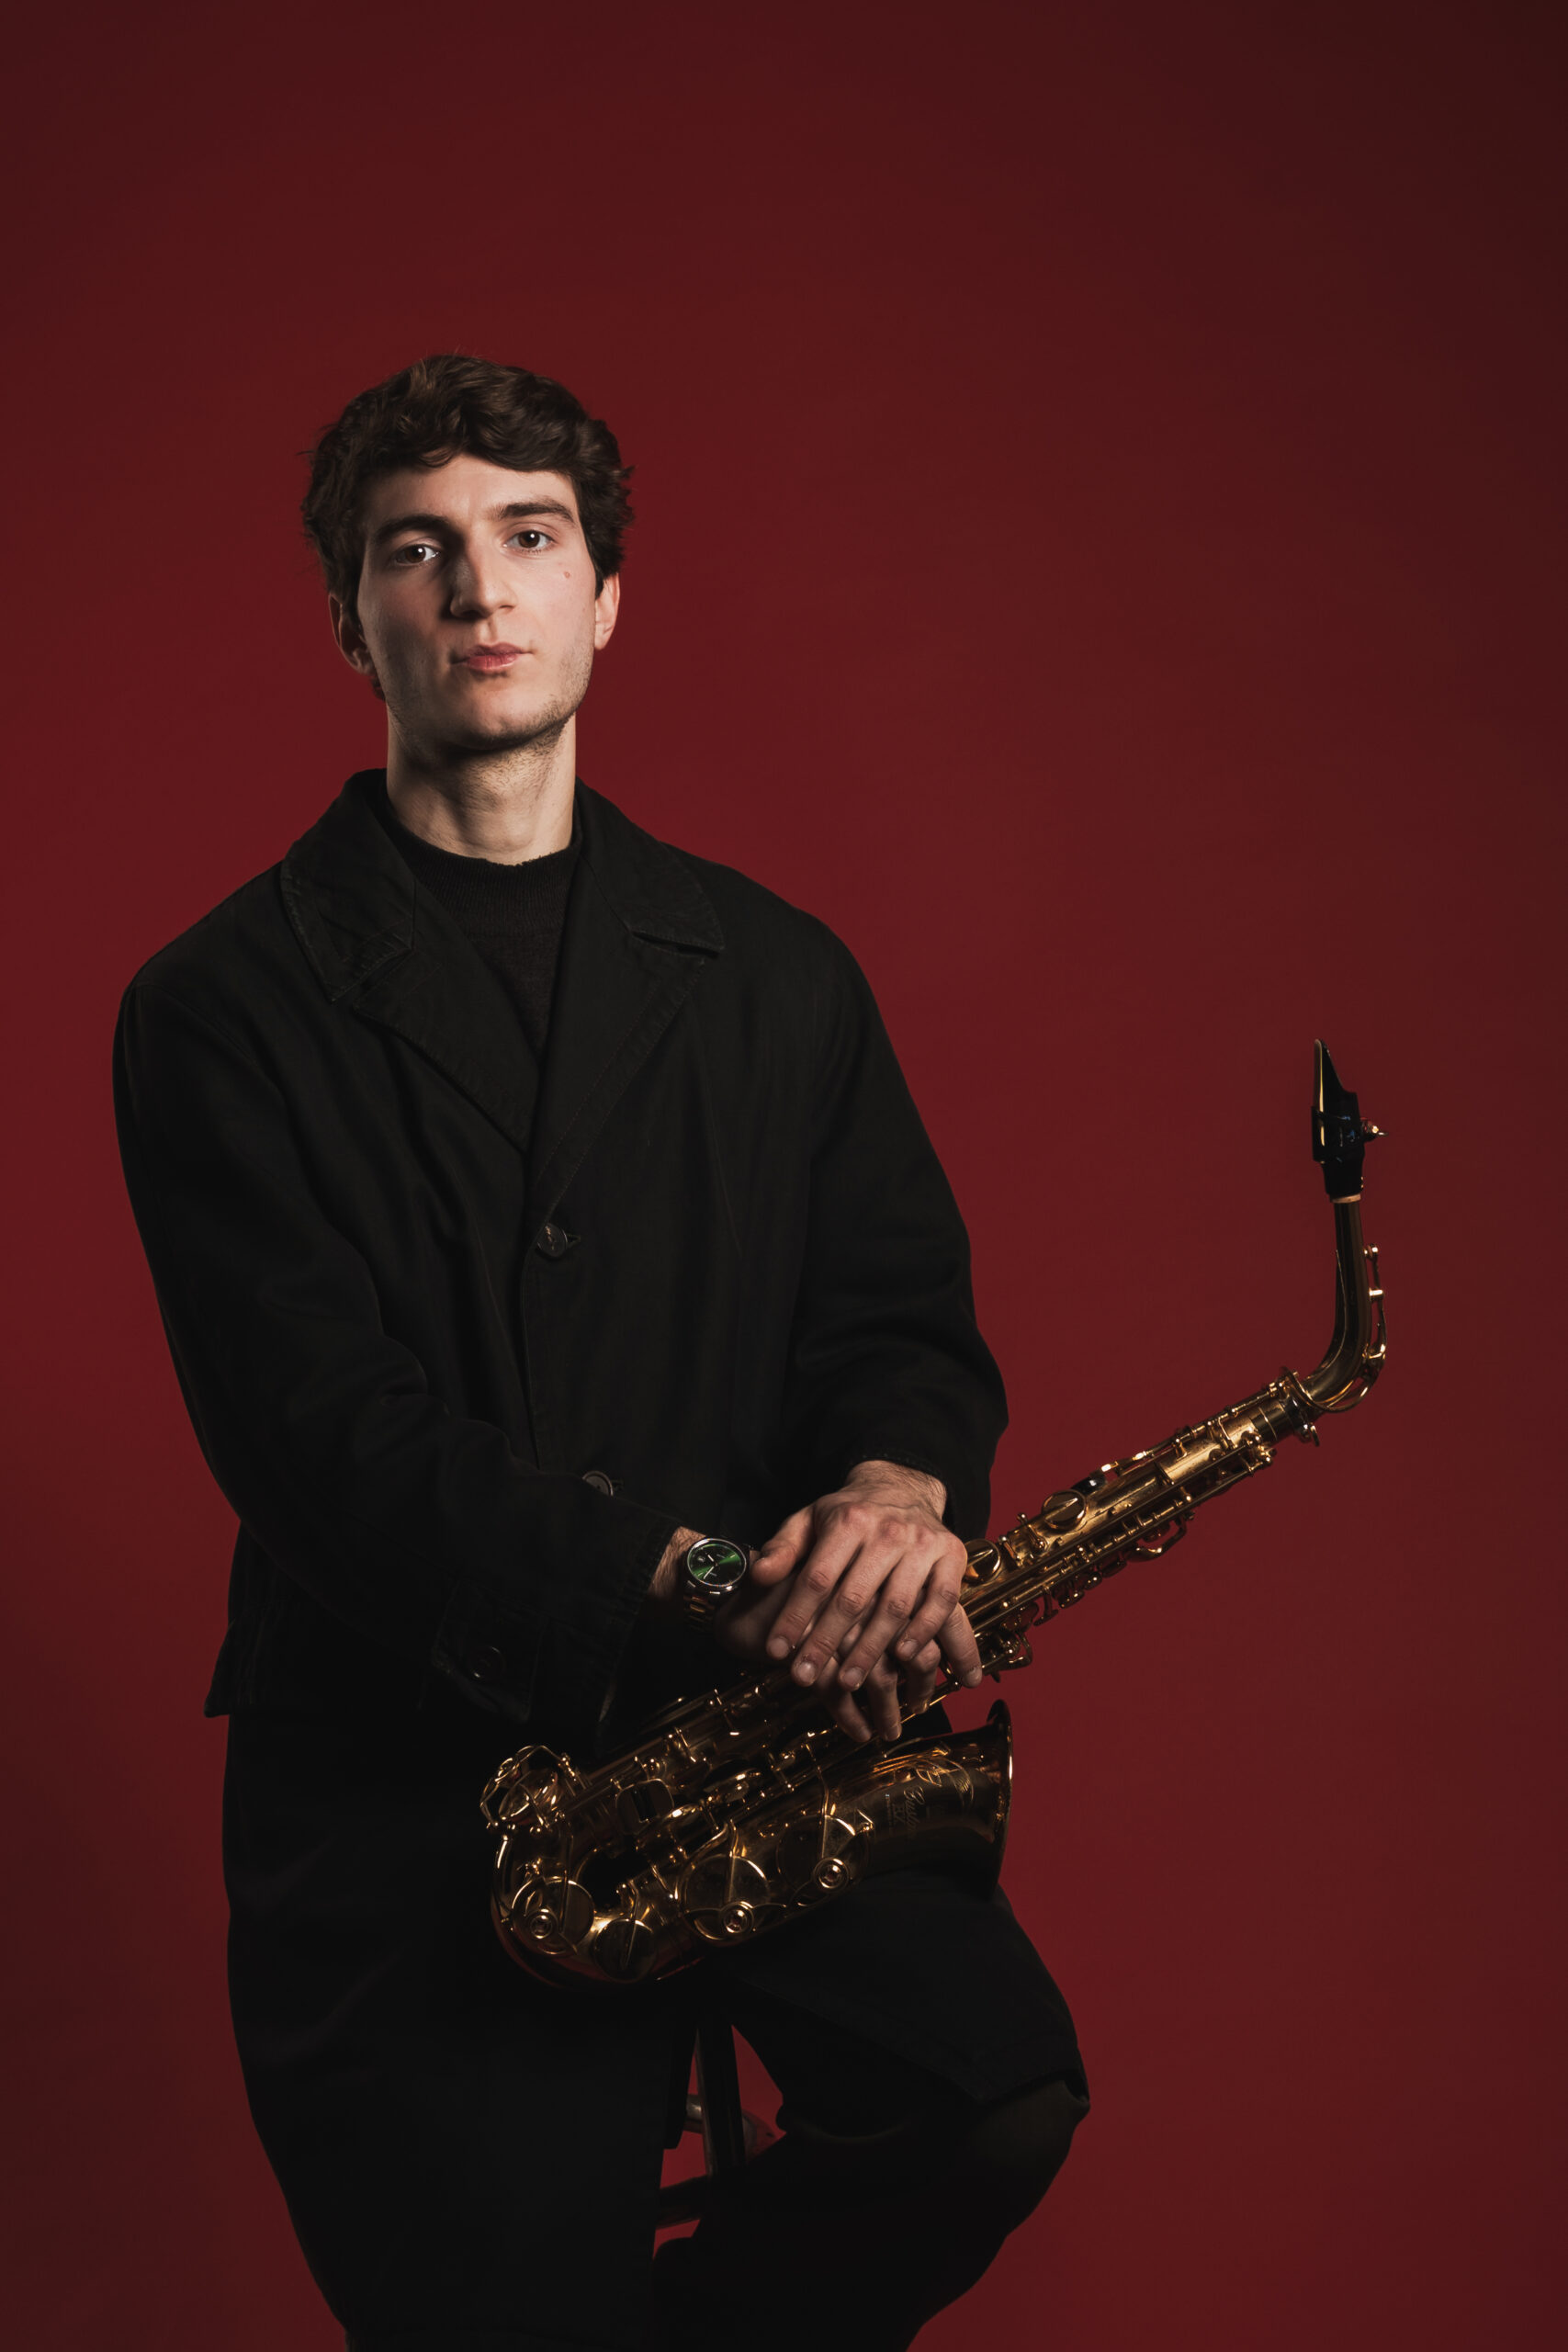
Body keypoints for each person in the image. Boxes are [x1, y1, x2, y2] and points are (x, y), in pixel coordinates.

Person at [113, 354, 1088, 2352]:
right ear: (352, 618)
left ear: (606, 595)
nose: (481, 588)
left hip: (757, 1749)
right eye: (418, 550)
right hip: (405, 1796)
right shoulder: (215, 1004)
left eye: (530, 536)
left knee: (986, 2096)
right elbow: (325, 1437)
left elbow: (893, 1318)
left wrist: (894, 1493)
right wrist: (709, 1578)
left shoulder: (781, 973)